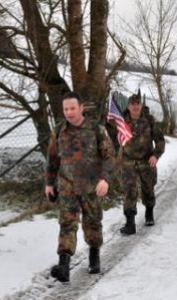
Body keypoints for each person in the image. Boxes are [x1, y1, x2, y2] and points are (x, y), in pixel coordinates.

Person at [45, 91, 115, 282]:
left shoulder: (96, 129)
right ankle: (64, 265)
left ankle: (94, 254)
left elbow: (109, 157)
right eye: (66, 109)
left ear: (81, 108)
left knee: (92, 222)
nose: (69, 112)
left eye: (72, 108)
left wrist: (105, 180)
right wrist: (49, 183)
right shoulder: (59, 131)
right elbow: (52, 158)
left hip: (91, 185)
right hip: (66, 184)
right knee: (67, 223)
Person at [113, 93, 165, 235]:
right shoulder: (122, 121)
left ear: (141, 105)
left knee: (148, 189)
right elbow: (113, 138)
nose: (135, 107)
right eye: (132, 104)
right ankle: (130, 224)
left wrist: (155, 155)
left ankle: (149, 213)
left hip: (146, 160)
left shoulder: (149, 120)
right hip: (128, 161)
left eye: (138, 104)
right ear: (128, 106)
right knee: (129, 191)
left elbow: (160, 140)